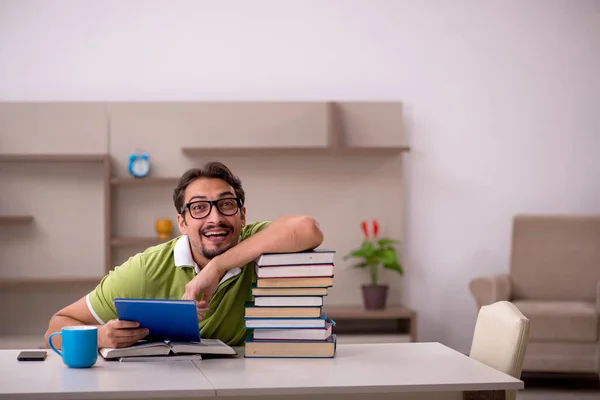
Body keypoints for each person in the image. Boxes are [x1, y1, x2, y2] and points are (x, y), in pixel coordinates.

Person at [44, 161, 323, 349]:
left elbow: (308, 229)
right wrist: (101, 337)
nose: (215, 218)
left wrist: (217, 267)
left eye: (227, 204)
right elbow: (56, 328)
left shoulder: (257, 241)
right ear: (182, 222)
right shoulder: (147, 269)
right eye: (200, 208)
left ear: (242, 215)